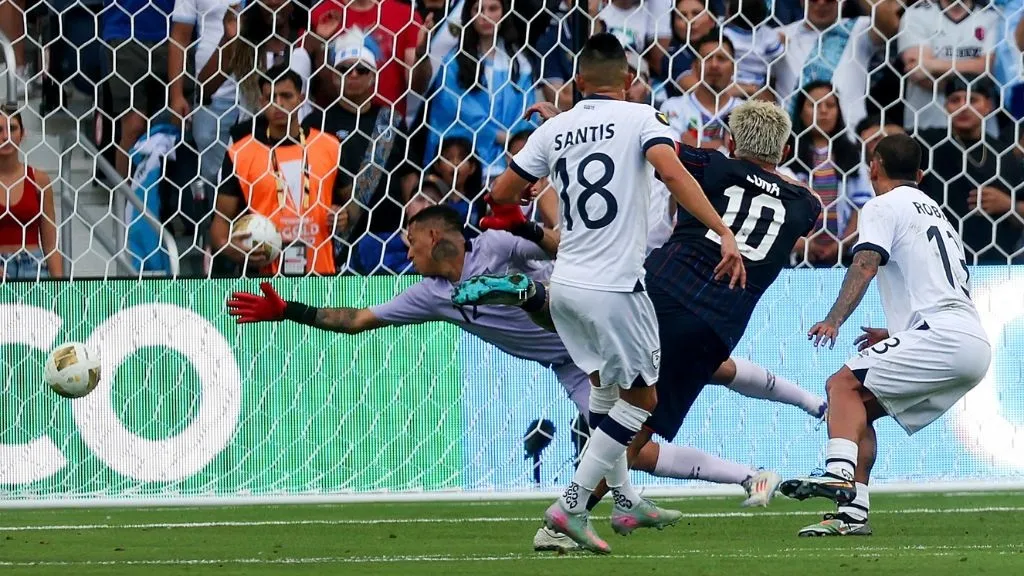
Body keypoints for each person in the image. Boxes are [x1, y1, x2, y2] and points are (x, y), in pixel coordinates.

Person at [454, 99, 821, 549]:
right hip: (712, 321)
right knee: (635, 429)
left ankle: (625, 499)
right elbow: (784, 204)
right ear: (784, 150)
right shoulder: (807, 203)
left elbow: (634, 142)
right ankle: (564, 519)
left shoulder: (708, 163)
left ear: (729, 141)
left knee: (610, 393)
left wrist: (562, 125)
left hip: (655, 288)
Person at [479, 33, 744, 554]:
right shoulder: (643, 118)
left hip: (564, 287)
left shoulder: (553, 129)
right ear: (628, 80)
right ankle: (571, 507)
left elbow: (500, 196)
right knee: (643, 400)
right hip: (616, 286)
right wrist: (722, 230)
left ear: (578, 82)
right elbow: (672, 171)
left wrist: (525, 198)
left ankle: (623, 499)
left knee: (605, 388)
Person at [782, 134, 992, 537]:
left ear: (873, 166)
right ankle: (853, 514)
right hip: (969, 339)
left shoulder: (881, 204)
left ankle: (838, 473)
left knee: (840, 384)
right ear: (920, 174)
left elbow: (865, 263)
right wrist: (898, 331)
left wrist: (834, 318)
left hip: (942, 335)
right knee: (859, 408)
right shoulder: (937, 213)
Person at [209, 66, 347, 277]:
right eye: (270, 97)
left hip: (321, 274)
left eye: (286, 96)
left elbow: (350, 205)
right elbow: (220, 222)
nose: (278, 103)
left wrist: (344, 214)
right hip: (266, 275)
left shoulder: (329, 146)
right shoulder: (241, 153)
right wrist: (232, 248)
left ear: (301, 99)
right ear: (262, 103)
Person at [0, 110, 62, 279]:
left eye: (12, 128)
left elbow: (50, 245)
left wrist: (62, 290)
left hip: (34, 267)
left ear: (23, 134)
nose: (6, 136)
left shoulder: (38, 180)